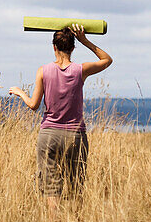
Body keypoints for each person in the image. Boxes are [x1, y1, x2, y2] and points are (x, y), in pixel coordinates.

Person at [9, 23, 112, 210]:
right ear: (73, 48)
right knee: (75, 187)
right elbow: (107, 60)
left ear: (54, 47)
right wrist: (86, 41)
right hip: (75, 136)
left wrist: (19, 92)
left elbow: (33, 105)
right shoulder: (81, 70)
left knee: (51, 189)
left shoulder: (43, 70)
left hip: (49, 135)